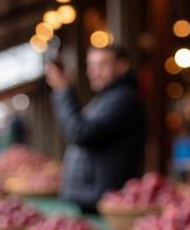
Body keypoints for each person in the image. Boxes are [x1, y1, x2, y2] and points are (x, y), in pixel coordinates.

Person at [45, 44, 145, 214]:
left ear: (122, 66)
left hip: (103, 202)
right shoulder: (108, 98)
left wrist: (63, 91)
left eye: (102, 65)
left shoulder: (124, 99)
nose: (93, 72)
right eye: (91, 66)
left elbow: (80, 133)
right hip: (92, 199)